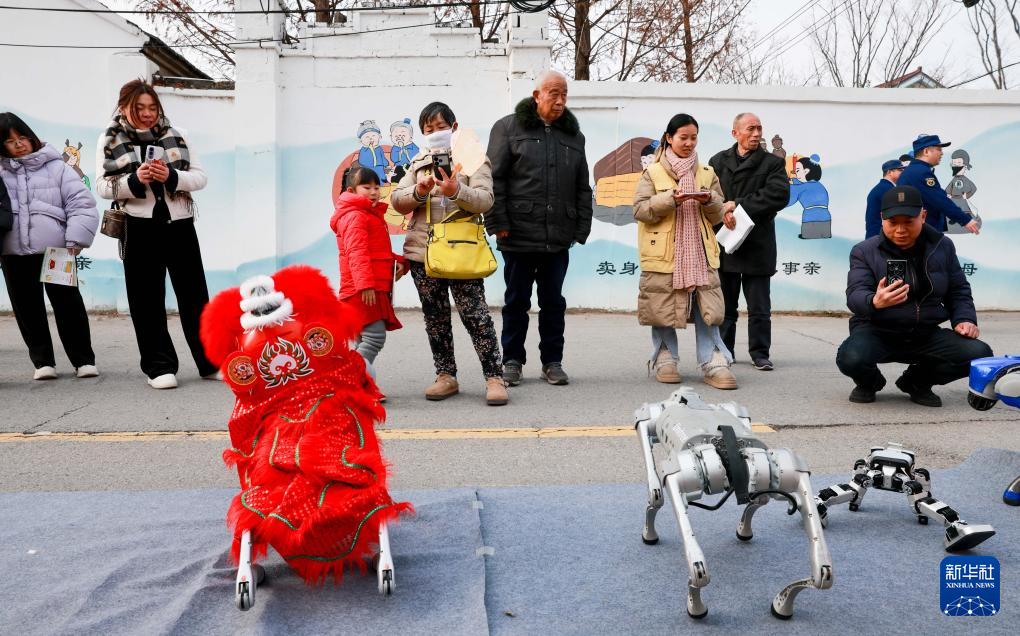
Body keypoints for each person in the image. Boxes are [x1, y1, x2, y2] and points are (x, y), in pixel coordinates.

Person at [95, 79, 217, 389]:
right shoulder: (109, 139)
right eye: (140, 108)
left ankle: (210, 362)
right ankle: (159, 366)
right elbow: (103, 186)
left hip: (179, 225)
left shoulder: (178, 135)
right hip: (138, 228)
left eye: (152, 107)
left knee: (195, 297)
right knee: (146, 301)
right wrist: (135, 179)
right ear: (124, 108)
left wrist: (171, 175)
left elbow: (200, 178)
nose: (148, 114)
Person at [390, 102, 507, 406]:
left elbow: (485, 200)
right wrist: (419, 190)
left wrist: (456, 190)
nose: (435, 133)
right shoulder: (418, 162)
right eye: (429, 129)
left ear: (454, 128)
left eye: (441, 127)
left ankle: (494, 377)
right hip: (423, 254)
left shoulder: (473, 159)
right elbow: (397, 200)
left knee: (476, 316)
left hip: (462, 251)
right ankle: (446, 376)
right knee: (435, 319)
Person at [836, 185, 992, 407]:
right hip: (877, 331)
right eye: (893, 223)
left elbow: (958, 290)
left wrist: (965, 319)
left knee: (979, 355)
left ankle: (916, 382)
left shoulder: (942, 246)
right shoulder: (864, 251)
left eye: (908, 222)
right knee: (850, 358)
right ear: (882, 219)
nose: (900, 230)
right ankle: (869, 383)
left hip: (925, 333)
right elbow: (855, 293)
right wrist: (874, 301)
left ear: (923, 216)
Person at [484, 70, 593, 386]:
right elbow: (495, 178)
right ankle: (512, 361)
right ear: (537, 96)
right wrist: (498, 223)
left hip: (558, 236)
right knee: (516, 301)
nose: (560, 101)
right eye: (553, 93)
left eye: (564, 94)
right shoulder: (508, 128)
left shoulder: (574, 136)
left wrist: (580, 228)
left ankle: (552, 362)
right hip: (517, 233)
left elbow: (582, 186)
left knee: (553, 302)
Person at [633, 113, 736, 389]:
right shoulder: (653, 172)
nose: (689, 143)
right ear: (669, 138)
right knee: (663, 304)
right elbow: (640, 210)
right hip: (664, 251)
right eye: (683, 138)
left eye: (693, 138)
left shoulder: (707, 173)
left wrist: (710, 200)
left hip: (700, 251)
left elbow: (717, 214)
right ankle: (665, 357)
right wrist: (671, 199)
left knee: (707, 305)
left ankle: (713, 360)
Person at [1, 112, 99, 380]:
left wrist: (75, 240)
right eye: (10, 141)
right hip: (13, 253)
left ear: (31, 137)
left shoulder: (57, 167)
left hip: (57, 250)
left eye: (22, 137)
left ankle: (83, 360)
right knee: (26, 308)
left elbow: (81, 203)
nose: (19, 144)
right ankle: (43, 362)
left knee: (69, 305)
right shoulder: (0, 172)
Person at [708, 112, 789, 371]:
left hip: (758, 243)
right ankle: (724, 351)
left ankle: (760, 353)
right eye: (750, 129)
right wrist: (723, 210)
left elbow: (778, 195)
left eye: (759, 129)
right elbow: (711, 195)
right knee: (726, 306)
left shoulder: (772, 163)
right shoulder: (717, 161)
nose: (756, 134)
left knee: (759, 307)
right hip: (727, 241)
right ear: (735, 133)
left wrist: (739, 205)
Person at [331, 167, 406, 388]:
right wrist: (365, 285)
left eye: (377, 187)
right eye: (367, 187)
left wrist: (398, 261)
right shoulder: (355, 215)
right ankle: (352, 381)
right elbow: (357, 252)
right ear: (351, 190)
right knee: (374, 338)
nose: (374, 192)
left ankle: (360, 387)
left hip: (366, 286)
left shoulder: (366, 214)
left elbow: (375, 250)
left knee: (364, 339)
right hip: (363, 289)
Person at [898, 134, 979, 235]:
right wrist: (965, 220)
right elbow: (939, 200)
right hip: (925, 231)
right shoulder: (921, 172)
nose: (942, 153)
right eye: (939, 149)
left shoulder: (912, 171)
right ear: (926, 151)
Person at [864, 159, 905, 239]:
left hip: (875, 236)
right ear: (889, 172)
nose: (903, 172)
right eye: (900, 170)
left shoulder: (881, 187)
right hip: (879, 237)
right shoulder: (888, 189)